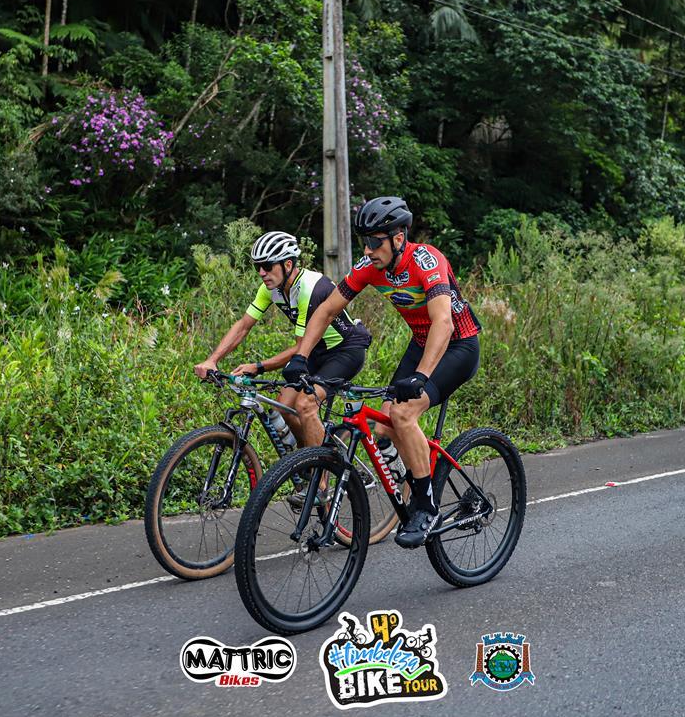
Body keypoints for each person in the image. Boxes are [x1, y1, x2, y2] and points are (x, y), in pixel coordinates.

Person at [283, 197, 481, 548]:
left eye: (375, 242)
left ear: (398, 238)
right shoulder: (371, 266)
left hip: (458, 345)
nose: (368, 249)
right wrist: (301, 356)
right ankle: (416, 479)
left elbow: (443, 322)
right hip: (422, 344)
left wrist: (421, 377)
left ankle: (427, 508)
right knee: (384, 424)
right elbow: (327, 310)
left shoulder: (427, 261)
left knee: (404, 414)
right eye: (365, 241)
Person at [194, 230, 371, 450]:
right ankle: (305, 459)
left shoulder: (310, 288)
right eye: (257, 267)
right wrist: (212, 360)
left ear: (288, 265)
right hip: (316, 350)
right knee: (283, 406)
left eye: (267, 266)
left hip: (345, 351)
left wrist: (259, 366)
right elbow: (243, 326)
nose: (262, 273)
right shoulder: (272, 289)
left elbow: (300, 347)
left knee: (305, 405)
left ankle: (322, 470)